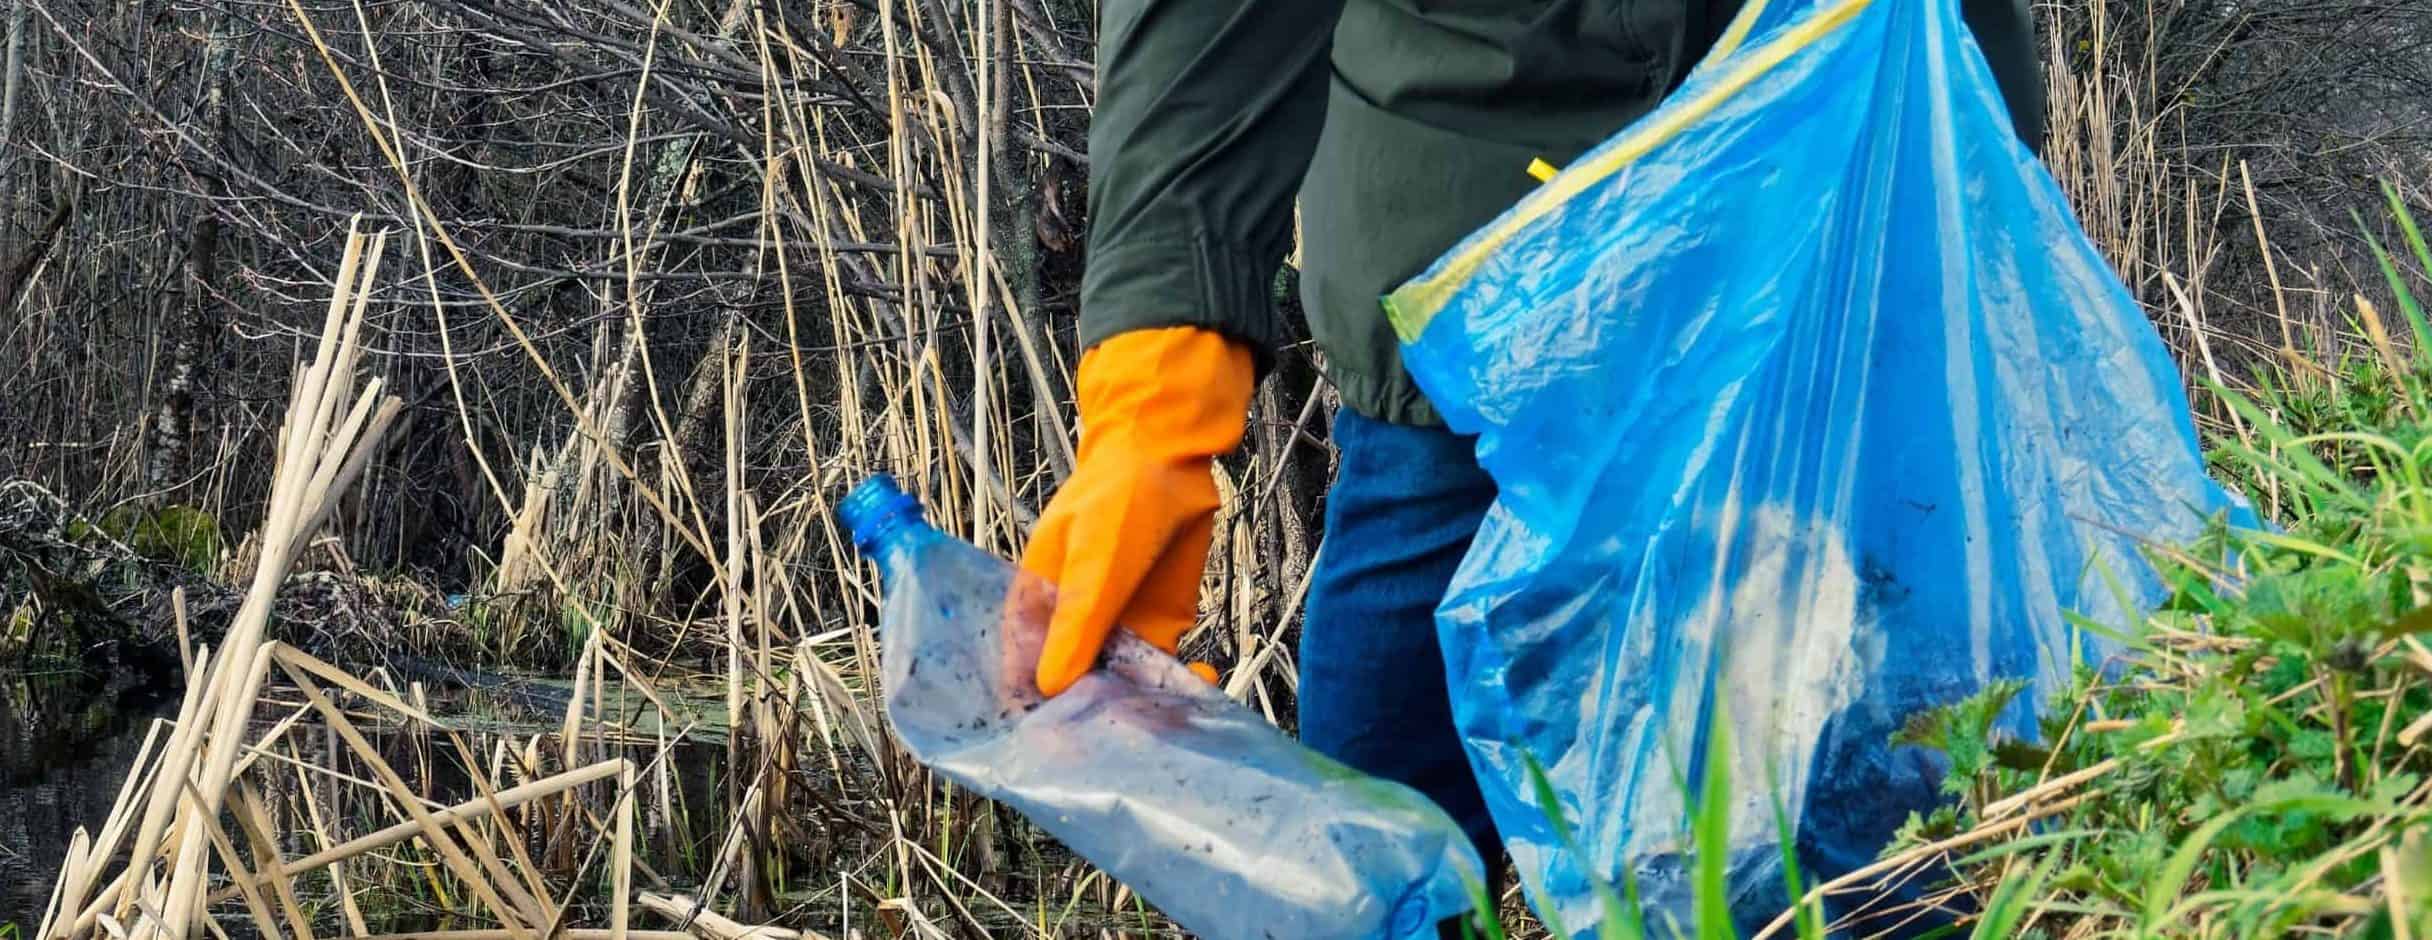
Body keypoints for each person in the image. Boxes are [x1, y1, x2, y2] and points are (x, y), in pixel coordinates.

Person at [1015, 0, 2048, 932]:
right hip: (1477, 270)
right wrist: (1157, 376)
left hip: (1835, 187)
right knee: (1372, 868)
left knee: (1866, 829)